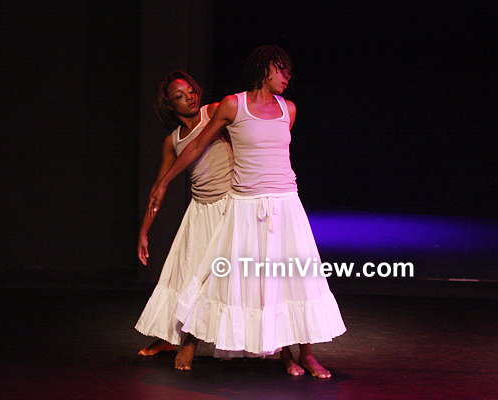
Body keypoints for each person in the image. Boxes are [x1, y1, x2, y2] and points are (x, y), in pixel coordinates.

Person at [149, 45, 346, 378]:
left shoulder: (288, 109)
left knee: (296, 279)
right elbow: (197, 144)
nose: (287, 76)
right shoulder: (233, 105)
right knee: (254, 282)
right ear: (264, 70)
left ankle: (306, 354)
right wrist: (164, 181)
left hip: (285, 203)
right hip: (246, 206)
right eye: (281, 70)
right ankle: (279, 353)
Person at [134, 71, 234, 356]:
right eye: (180, 96)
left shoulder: (213, 112)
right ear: (169, 105)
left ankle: (194, 342)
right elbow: (158, 188)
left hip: (229, 208)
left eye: (191, 91)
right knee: (184, 274)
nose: (189, 98)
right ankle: (171, 336)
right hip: (200, 212)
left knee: (219, 277)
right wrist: (143, 232)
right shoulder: (173, 140)